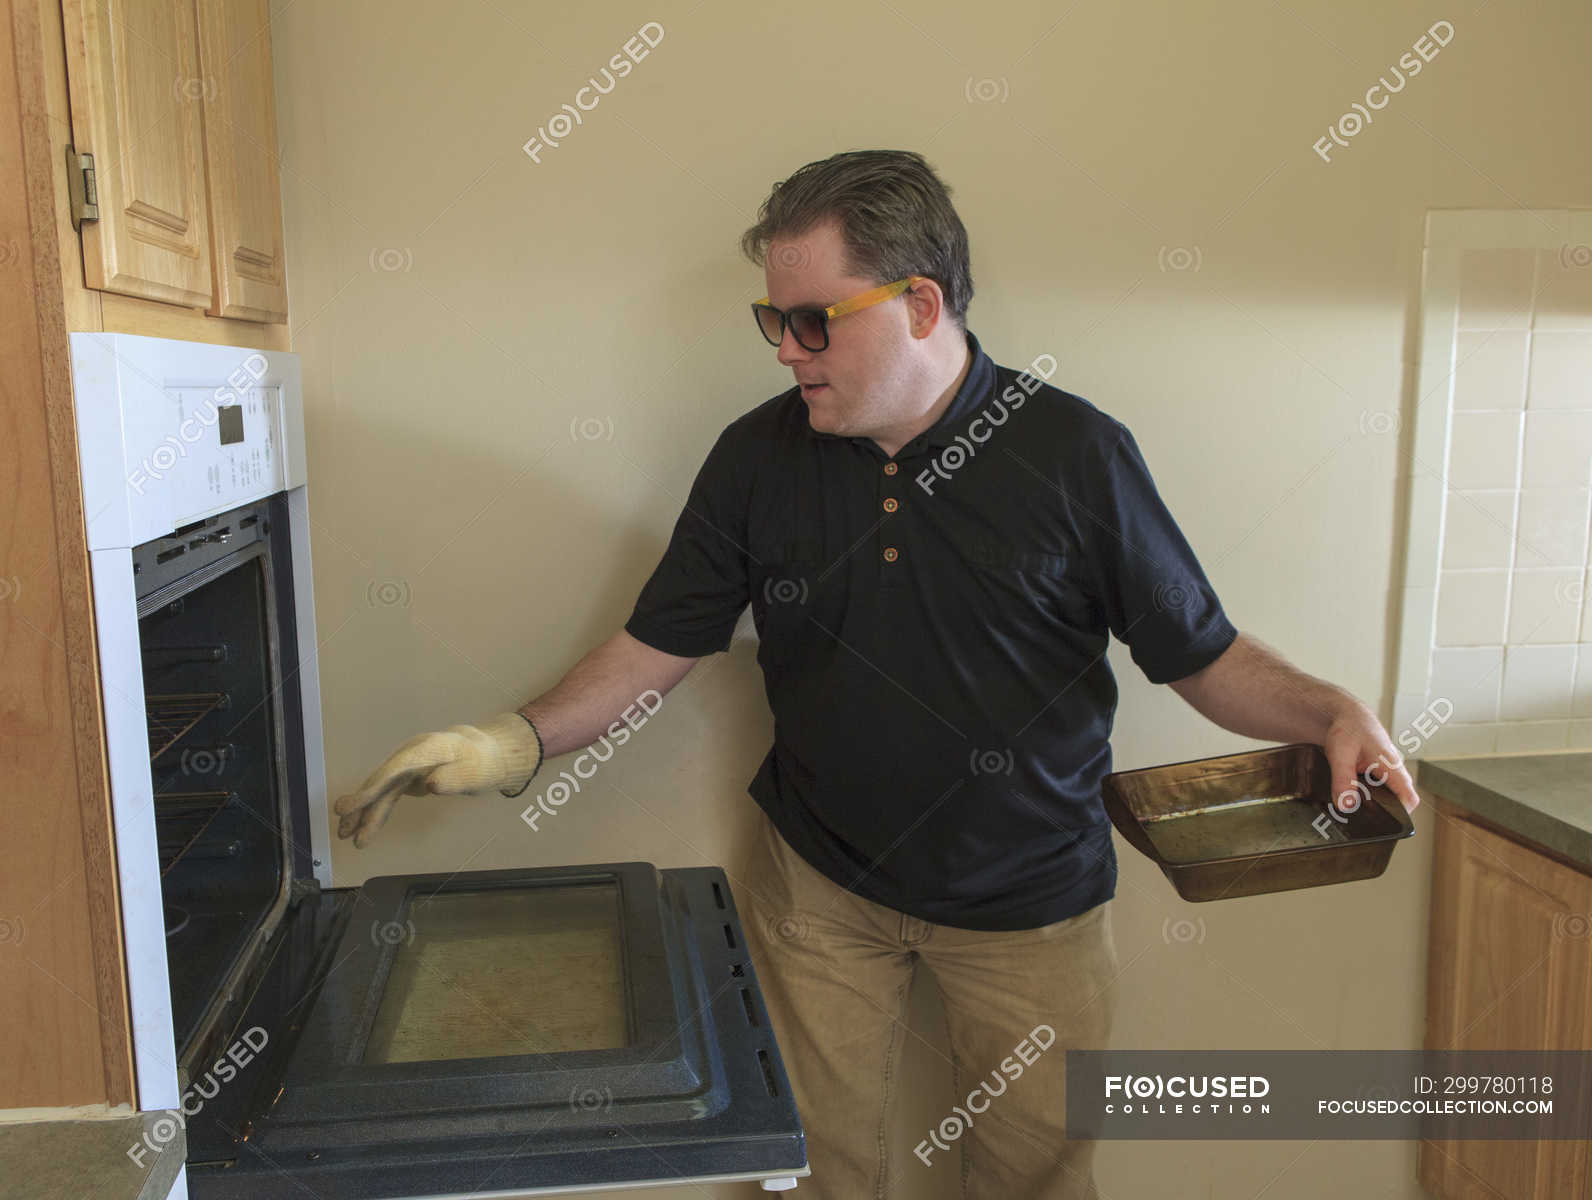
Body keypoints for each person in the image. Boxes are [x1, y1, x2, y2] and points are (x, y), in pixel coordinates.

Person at [332, 149, 1421, 1200]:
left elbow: (1203, 654)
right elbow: (659, 643)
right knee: (808, 1173)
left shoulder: (1076, 455)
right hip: (820, 893)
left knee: (1040, 1182)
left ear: (922, 304)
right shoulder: (756, 458)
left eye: (813, 321)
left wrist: (1332, 711)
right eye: (774, 319)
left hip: (1031, 910)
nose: (784, 349)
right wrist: (512, 743)